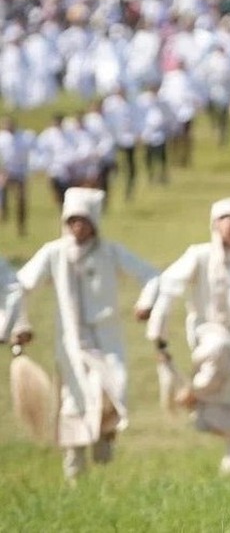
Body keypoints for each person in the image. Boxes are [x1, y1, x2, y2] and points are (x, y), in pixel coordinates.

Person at [0, 188, 160, 481]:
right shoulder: (54, 253)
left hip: (106, 338)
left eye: (83, 221)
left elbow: (150, 275)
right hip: (70, 340)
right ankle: (74, 470)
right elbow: (20, 287)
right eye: (73, 221)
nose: (78, 227)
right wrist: (17, 325)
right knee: (73, 399)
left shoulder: (110, 252)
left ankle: (104, 437)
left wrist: (145, 304)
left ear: (94, 223)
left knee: (113, 387)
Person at [145, 198, 230, 474]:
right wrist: (155, 320)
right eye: (224, 220)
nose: (229, 227)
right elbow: (169, 281)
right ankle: (194, 393)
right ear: (214, 224)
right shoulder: (199, 255)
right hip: (208, 334)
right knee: (219, 350)